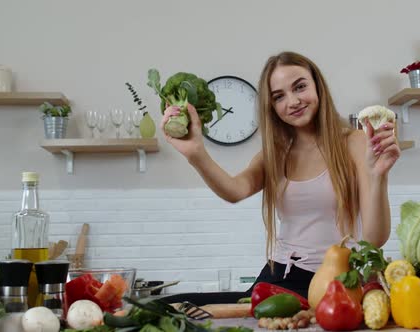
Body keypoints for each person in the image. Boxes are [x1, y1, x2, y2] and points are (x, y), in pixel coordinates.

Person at [160, 51, 399, 305]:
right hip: (277, 274)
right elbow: (234, 190)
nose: (293, 101)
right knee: (170, 305)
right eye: (279, 96)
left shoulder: (354, 143)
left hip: (335, 281)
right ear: (272, 107)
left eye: (300, 87)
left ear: (317, 86)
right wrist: (196, 152)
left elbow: (374, 238)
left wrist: (378, 176)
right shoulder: (274, 155)